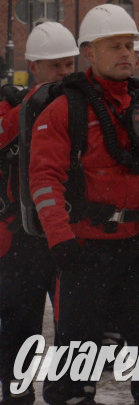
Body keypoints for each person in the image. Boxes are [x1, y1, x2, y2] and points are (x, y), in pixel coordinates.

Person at [29, 4, 139, 405]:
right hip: (84, 251)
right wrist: (60, 239)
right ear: (89, 52)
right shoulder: (65, 108)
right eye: (114, 46)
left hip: (138, 246)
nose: (126, 53)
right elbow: (44, 178)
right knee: (78, 357)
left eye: (130, 45)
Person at [0, 22, 77, 404]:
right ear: (34, 67)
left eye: (69, 66)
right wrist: (34, 105)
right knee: (20, 324)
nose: (64, 75)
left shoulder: (79, 105)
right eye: (56, 67)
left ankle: (63, 392)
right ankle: (17, 394)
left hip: (68, 232)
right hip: (21, 238)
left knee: (73, 322)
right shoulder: (12, 103)